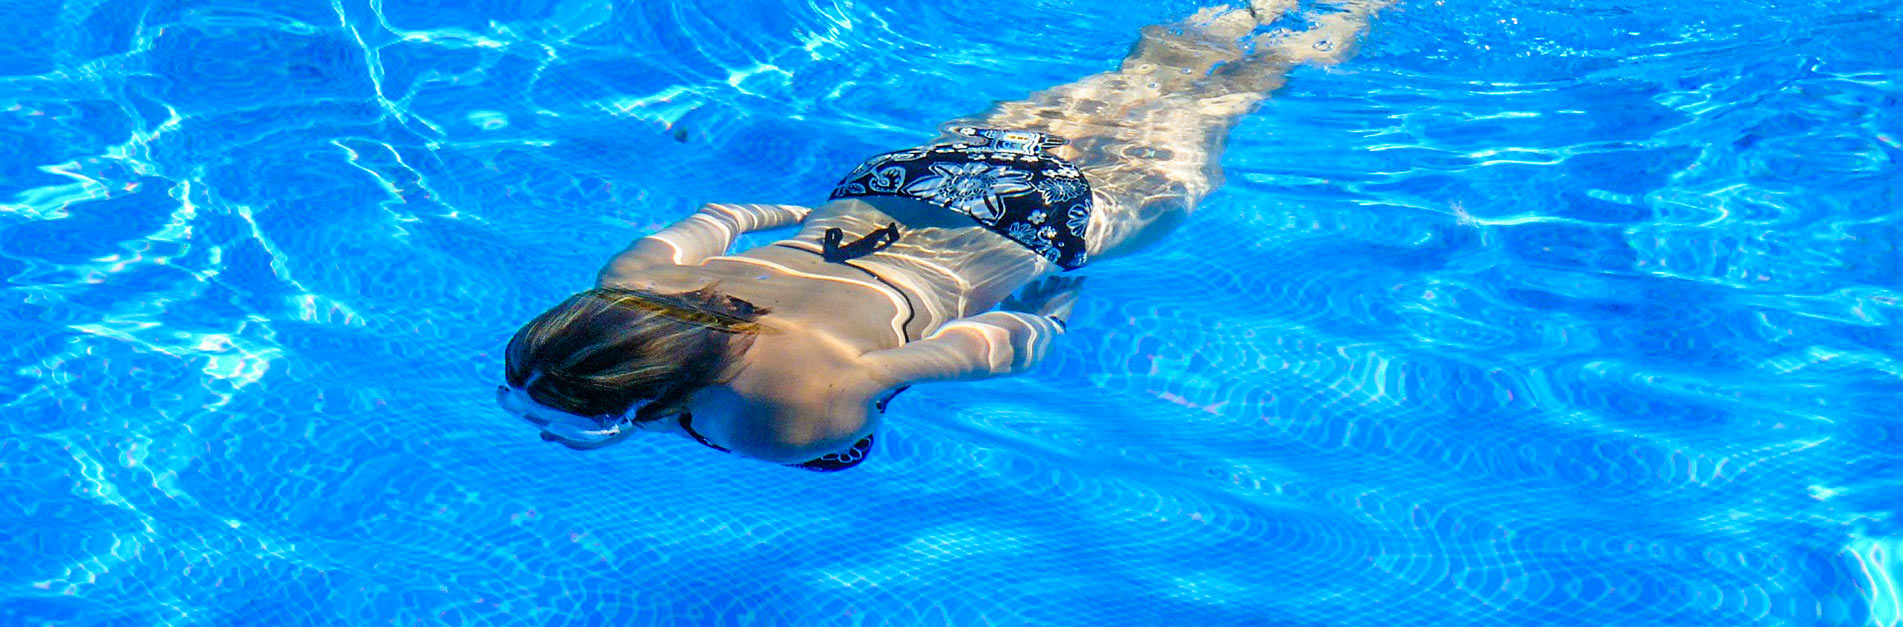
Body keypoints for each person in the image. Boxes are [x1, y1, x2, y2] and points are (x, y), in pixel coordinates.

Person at [497, 1, 1391, 471]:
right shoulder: (626, 277)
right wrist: (805, 222)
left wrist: (1055, 301)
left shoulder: (782, 417)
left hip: (1035, 223)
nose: (544, 432)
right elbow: (726, 217)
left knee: (1238, 92)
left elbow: (984, 348)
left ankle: (1362, 6)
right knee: (1153, 71)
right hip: (906, 180)